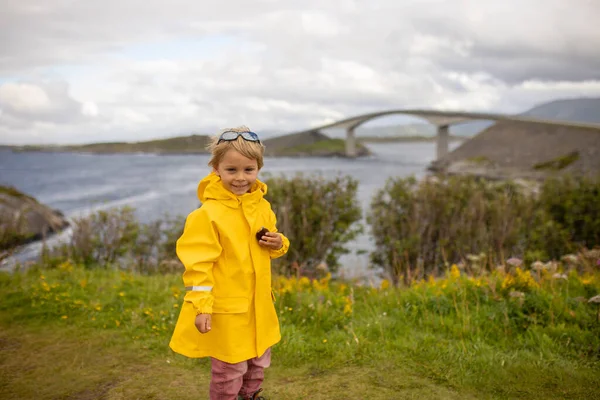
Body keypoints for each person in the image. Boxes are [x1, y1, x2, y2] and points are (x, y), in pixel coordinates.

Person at [170, 126, 290, 400]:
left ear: (258, 168)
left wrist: (279, 242)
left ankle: (250, 397)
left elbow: (273, 247)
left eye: (248, 170)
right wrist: (201, 307)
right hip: (227, 311)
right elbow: (198, 265)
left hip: (259, 307)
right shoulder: (206, 215)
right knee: (229, 370)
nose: (240, 178)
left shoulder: (261, 206)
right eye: (231, 170)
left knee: (257, 365)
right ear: (216, 168)